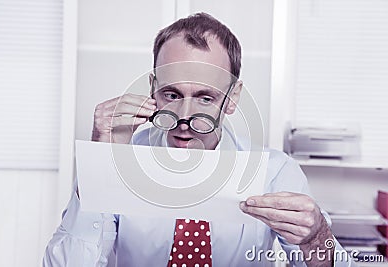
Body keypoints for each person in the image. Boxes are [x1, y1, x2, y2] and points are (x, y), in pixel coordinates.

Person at [44, 13, 353, 266]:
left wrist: (317, 237)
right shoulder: (120, 159)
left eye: (205, 98)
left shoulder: (275, 171)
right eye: (172, 94)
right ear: (153, 89)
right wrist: (99, 171)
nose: (184, 118)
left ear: (232, 98)